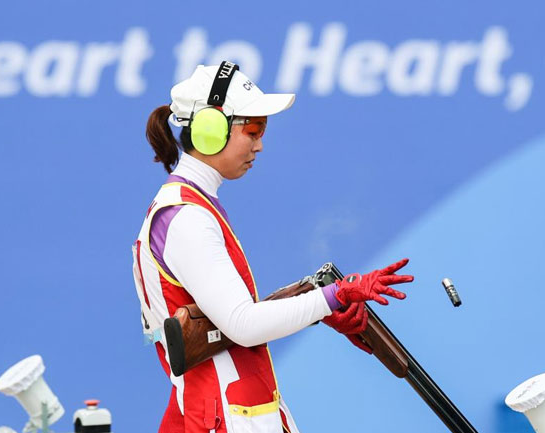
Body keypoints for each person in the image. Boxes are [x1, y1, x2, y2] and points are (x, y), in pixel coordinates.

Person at [131, 61, 413, 433]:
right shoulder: (188, 218)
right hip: (228, 417)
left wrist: (317, 307)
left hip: (225, 412)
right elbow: (243, 325)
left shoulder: (190, 207)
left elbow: (224, 322)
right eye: (253, 128)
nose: (260, 144)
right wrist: (333, 296)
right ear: (209, 131)